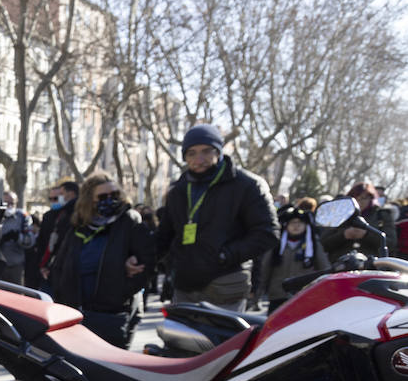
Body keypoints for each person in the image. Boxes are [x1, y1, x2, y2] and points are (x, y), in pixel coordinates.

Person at [157, 123, 278, 312]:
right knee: (182, 341)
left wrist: (225, 256)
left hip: (226, 283)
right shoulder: (179, 190)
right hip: (185, 285)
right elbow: (164, 236)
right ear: (185, 157)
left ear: (219, 151)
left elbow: (267, 232)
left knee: (223, 342)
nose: (199, 159)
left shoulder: (247, 185)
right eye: (192, 153)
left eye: (206, 151)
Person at [47, 173, 156, 348]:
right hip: (76, 312)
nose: (110, 200)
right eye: (103, 197)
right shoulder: (78, 226)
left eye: (114, 195)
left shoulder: (129, 221)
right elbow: (60, 264)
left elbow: (147, 262)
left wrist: (121, 293)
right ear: (90, 200)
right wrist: (61, 294)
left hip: (112, 314)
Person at [262, 200, 329, 312]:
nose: (296, 226)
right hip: (278, 294)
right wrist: (258, 292)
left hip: (303, 295)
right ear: (286, 225)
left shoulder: (312, 245)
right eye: (293, 223)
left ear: (306, 225)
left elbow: (324, 267)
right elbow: (265, 268)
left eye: (300, 223)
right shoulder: (277, 245)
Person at [32, 179, 78, 289]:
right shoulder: (49, 216)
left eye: (57, 197)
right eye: (50, 199)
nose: (53, 201)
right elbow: (43, 242)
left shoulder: (73, 215)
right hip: (47, 266)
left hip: (61, 267)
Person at [0, 191, 36, 286]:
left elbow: (30, 241)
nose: (9, 206)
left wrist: (18, 237)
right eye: (6, 203)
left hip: (15, 266)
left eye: (12, 203)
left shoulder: (23, 217)